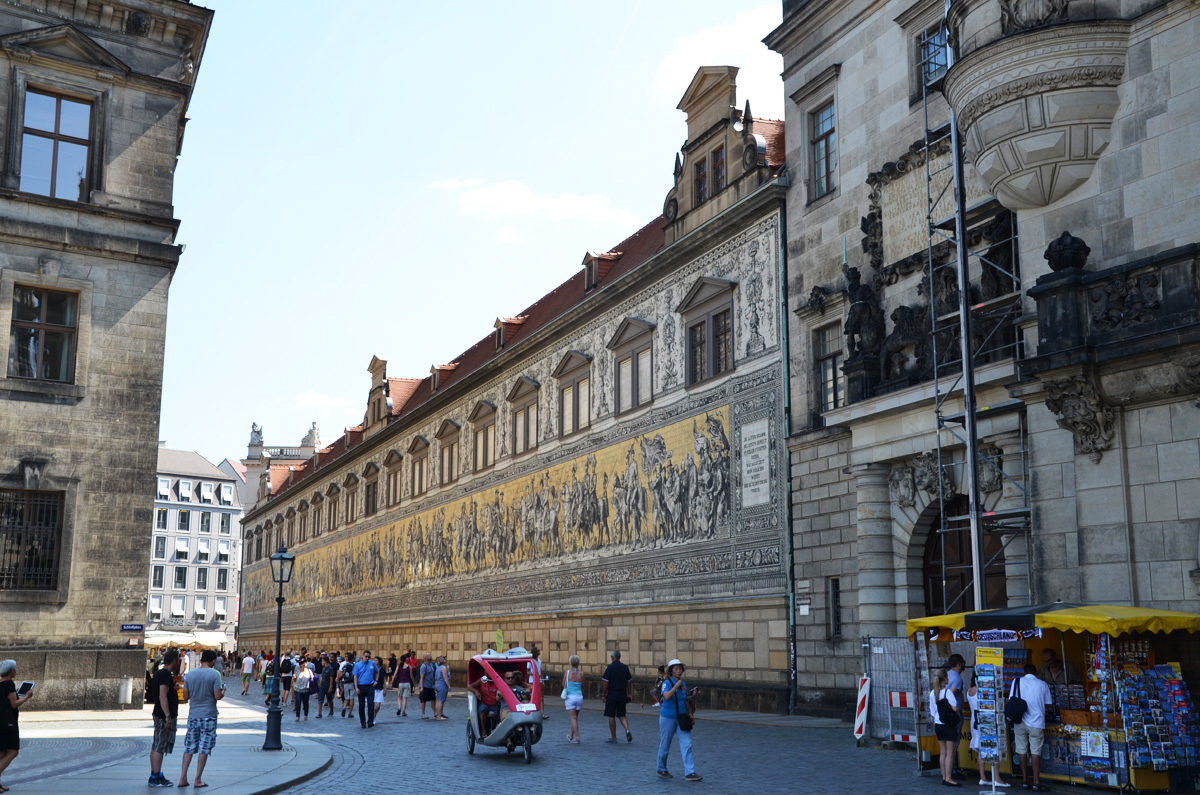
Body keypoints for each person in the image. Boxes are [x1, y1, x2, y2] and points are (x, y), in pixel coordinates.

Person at [178, 649, 225, 789]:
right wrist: (223, 691)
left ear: (201, 660)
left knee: (189, 747)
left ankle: (182, 778)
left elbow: (185, 697)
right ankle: (197, 779)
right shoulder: (215, 674)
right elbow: (217, 696)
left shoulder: (190, 675)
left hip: (193, 716)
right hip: (209, 715)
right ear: (212, 661)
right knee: (204, 747)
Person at [1011, 663, 1053, 792]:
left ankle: (1024, 780)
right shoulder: (1042, 684)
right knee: (1036, 752)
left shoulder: (1016, 682)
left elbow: (1011, 700)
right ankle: (1036, 781)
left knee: (1021, 750)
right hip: (1036, 723)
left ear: (1024, 672)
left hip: (1020, 722)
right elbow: (1048, 705)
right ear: (1036, 673)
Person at [657, 659, 701, 781]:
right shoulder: (667, 683)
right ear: (671, 671)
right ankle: (661, 769)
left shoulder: (684, 684)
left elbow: (683, 698)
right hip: (668, 718)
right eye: (676, 669)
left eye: (680, 669)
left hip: (682, 718)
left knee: (687, 744)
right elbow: (666, 696)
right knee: (665, 744)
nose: (679, 671)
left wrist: (692, 695)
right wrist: (676, 685)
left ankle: (690, 772)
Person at [0, 659, 36, 793]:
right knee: (13, 751)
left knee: (2, 753)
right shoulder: (9, 684)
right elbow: (14, 704)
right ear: (12, 671)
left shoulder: (1, 684)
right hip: (8, 723)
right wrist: (27, 696)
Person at [147, 648, 181, 788]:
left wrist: (174, 687)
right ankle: (155, 776)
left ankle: (156, 773)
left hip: (158, 713)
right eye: (178, 660)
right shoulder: (166, 674)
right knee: (159, 746)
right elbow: (162, 696)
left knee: (157, 745)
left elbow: (163, 693)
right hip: (162, 715)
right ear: (174, 661)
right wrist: (168, 716)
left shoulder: (161, 673)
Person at [967, 678, 1009, 787]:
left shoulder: (969, 691)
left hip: (975, 723)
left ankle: (983, 777)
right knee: (993, 749)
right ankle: (997, 778)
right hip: (986, 722)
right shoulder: (984, 692)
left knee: (980, 750)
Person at [931, 669, 960, 787]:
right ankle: (949, 778)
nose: (948, 679)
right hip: (948, 725)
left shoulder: (933, 693)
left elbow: (933, 712)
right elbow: (955, 708)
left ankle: (944, 776)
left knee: (942, 752)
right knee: (950, 753)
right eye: (947, 677)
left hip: (938, 724)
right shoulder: (948, 693)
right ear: (944, 679)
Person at [602, 649, 633, 743]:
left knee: (611, 715)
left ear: (612, 657)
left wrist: (603, 694)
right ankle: (627, 730)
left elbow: (606, 682)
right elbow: (629, 682)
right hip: (622, 694)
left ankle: (613, 736)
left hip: (612, 694)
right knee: (622, 715)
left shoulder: (610, 667)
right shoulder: (625, 667)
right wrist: (629, 693)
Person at [946, 654, 967, 778]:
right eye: (963, 661)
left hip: (948, 714)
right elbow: (950, 695)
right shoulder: (957, 679)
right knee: (954, 742)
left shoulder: (947, 675)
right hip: (954, 714)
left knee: (949, 743)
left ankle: (950, 769)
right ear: (959, 663)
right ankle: (953, 769)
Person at [467, 672, 501, 738]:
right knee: (482, 710)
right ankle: (483, 731)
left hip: (495, 704)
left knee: (500, 713)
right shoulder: (482, 681)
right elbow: (470, 687)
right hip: (484, 703)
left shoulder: (498, 681)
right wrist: (476, 691)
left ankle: (497, 731)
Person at [353, 650, 379, 729]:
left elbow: (377, 672)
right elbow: (355, 676)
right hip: (361, 686)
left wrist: (376, 681)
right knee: (361, 706)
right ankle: (363, 722)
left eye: (368, 657)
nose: (367, 658)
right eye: (366, 656)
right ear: (363, 656)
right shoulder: (357, 665)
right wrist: (356, 687)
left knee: (371, 704)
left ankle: (370, 721)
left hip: (370, 686)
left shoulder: (372, 663)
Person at [563, 654, 584, 744]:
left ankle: (577, 737)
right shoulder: (582, 673)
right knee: (575, 718)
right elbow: (583, 684)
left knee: (573, 718)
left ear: (571, 663)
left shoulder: (567, 673)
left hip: (570, 697)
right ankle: (571, 735)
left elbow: (564, 684)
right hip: (579, 697)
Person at [392, 652, 413, 717]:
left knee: (399, 697)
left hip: (400, 683)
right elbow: (411, 676)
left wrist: (392, 682)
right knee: (405, 698)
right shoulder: (409, 667)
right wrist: (414, 683)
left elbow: (394, 674)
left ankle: (399, 708)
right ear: (406, 659)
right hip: (407, 683)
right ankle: (403, 711)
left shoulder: (398, 666)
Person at [418, 653, 437, 719]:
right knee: (423, 701)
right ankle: (423, 714)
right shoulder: (423, 666)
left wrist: (434, 683)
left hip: (430, 686)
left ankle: (435, 713)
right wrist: (422, 687)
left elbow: (432, 675)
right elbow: (422, 677)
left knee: (433, 699)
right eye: (429, 656)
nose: (431, 656)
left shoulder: (431, 665)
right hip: (425, 686)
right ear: (425, 658)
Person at [316, 654, 335, 719]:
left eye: (322, 661)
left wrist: (330, 686)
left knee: (330, 700)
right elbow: (322, 677)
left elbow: (331, 678)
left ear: (325, 661)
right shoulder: (323, 668)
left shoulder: (330, 668)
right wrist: (319, 684)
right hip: (322, 686)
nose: (321, 662)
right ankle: (319, 713)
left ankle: (331, 711)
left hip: (327, 686)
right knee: (320, 700)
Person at [434, 656, 451, 720]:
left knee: (438, 700)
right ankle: (439, 716)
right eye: (445, 659)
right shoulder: (444, 668)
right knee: (441, 701)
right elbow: (445, 677)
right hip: (442, 685)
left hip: (437, 684)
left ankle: (438, 714)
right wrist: (448, 685)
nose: (446, 660)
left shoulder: (438, 668)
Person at [339, 655, 356, 719]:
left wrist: (340, 681)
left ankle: (344, 707)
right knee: (352, 698)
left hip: (345, 682)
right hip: (352, 682)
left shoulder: (344, 665)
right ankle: (350, 712)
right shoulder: (354, 665)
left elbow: (341, 674)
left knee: (346, 697)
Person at [372, 658, 388, 723]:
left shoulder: (382, 670)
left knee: (378, 706)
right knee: (373, 705)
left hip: (380, 688)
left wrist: (385, 689)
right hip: (373, 688)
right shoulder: (372, 669)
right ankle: (373, 717)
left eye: (376, 660)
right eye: (374, 660)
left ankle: (374, 715)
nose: (375, 661)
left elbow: (384, 680)